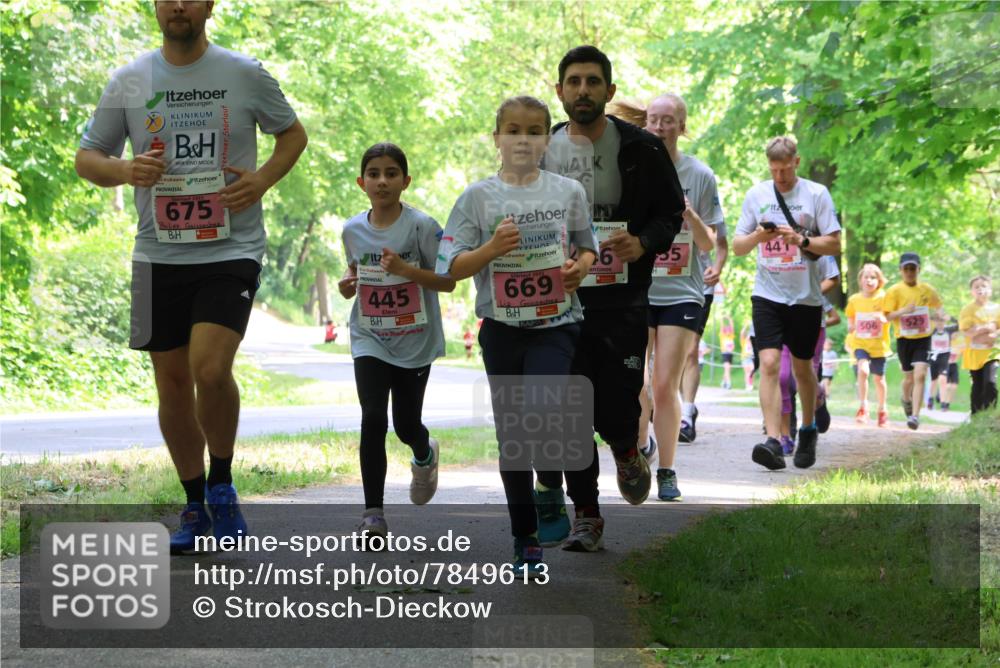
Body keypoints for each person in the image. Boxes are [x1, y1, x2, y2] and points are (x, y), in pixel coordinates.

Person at [75, 0, 307, 554]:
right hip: (158, 251)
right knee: (173, 384)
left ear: (209, 6)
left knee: (209, 366)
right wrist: (126, 170)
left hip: (232, 246)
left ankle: (223, 485)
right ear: (155, 7)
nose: (178, 5)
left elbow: (292, 136)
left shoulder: (244, 73)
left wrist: (261, 182)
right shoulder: (130, 81)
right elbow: (88, 159)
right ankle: (194, 502)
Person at [435, 95, 597, 576]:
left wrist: (578, 269)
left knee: (543, 409)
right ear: (497, 139)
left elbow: (588, 249)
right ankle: (524, 537)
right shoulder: (477, 197)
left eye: (532, 131)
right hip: (502, 328)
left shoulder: (568, 192)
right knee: (513, 438)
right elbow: (449, 267)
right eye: (512, 130)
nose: (522, 140)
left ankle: (549, 484)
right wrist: (490, 248)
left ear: (547, 140)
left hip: (557, 323)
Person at [533, 46, 684, 552]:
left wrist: (642, 242)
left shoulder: (642, 148)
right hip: (561, 302)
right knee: (572, 409)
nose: (583, 90)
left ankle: (626, 448)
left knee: (617, 407)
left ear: (609, 92)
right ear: (559, 91)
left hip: (621, 300)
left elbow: (672, 213)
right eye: (573, 81)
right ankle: (588, 516)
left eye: (593, 82)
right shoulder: (543, 148)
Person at [338, 142, 455, 539]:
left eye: (391, 173)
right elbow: (355, 273)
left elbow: (448, 280)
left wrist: (407, 269)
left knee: (406, 426)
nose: (382, 181)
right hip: (369, 336)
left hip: (414, 339)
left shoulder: (422, 226)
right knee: (372, 417)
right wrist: (348, 285)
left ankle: (424, 452)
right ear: (361, 182)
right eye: (374, 173)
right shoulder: (352, 229)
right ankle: (374, 515)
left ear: (406, 181)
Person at [614, 93, 724, 503]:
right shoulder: (631, 171)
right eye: (654, 120)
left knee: (664, 385)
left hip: (681, 291)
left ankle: (667, 471)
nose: (660, 128)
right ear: (645, 124)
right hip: (638, 287)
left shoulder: (701, 175)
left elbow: (708, 243)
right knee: (636, 382)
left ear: (683, 126)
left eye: (669, 121)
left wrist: (687, 213)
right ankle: (642, 446)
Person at [732, 136, 842, 470]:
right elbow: (738, 245)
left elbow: (835, 245)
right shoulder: (757, 195)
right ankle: (774, 439)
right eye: (773, 169)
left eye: (785, 168)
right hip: (767, 293)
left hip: (805, 298)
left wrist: (802, 239)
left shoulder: (816, 194)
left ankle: (807, 430)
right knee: (767, 364)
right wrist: (758, 237)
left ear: (797, 161)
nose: (779, 176)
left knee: (802, 369)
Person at [883, 252, 944, 430]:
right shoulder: (894, 291)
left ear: (919, 269)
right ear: (901, 270)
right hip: (904, 339)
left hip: (923, 338)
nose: (910, 272)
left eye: (913, 268)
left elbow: (939, 309)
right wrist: (903, 311)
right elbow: (887, 316)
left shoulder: (927, 290)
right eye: (906, 269)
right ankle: (906, 398)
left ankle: (915, 416)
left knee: (921, 375)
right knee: (908, 378)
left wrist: (937, 316)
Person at [846, 263, 891, 427]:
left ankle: (882, 409)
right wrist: (850, 326)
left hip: (879, 345)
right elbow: (850, 316)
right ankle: (863, 407)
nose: (870, 280)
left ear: (879, 281)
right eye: (866, 277)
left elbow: (890, 315)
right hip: (861, 343)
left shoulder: (884, 297)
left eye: (873, 278)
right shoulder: (854, 300)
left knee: (879, 379)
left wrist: (883, 318)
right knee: (863, 370)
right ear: (860, 280)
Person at [959, 275, 1000, 414]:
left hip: (991, 352)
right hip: (974, 353)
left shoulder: (997, 308)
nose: (980, 289)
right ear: (972, 291)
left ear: (990, 290)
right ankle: (976, 416)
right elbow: (966, 331)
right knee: (977, 385)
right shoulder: (968, 310)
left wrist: (994, 334)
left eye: (984, 286)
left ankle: (989, 415)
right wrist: (984, 328)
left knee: (990, 383)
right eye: (976, 287)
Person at [942, 328, 964, 410]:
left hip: (954, 365)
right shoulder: (945, 342)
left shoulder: (959, 343)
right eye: (952, 333)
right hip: (945, 366)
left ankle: (947, 404)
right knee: (947, 386)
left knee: (954, 386)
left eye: (956, 333)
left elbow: (964, 352)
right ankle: (943, 402)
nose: (954, 335)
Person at [719, 314, 736, 389]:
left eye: (729, 330)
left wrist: (729, 318)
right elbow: (722, 326)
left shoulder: (731, 336)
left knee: (728, 369)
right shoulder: (723, 336)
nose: (729, 331)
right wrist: (722, 318)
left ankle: (723, 382)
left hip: (730, 354)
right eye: (727, 330)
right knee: (727, 368)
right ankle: (728, 383)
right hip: (725, 353)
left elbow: (732, 326)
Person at [741, 322, 756, 391]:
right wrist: (745, 326)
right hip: (745, 358)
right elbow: (742, 334)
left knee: (752, 370)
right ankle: (748, 385)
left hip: (751, 358)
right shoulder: (744, 341)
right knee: (747, 372)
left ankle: (750, 384)